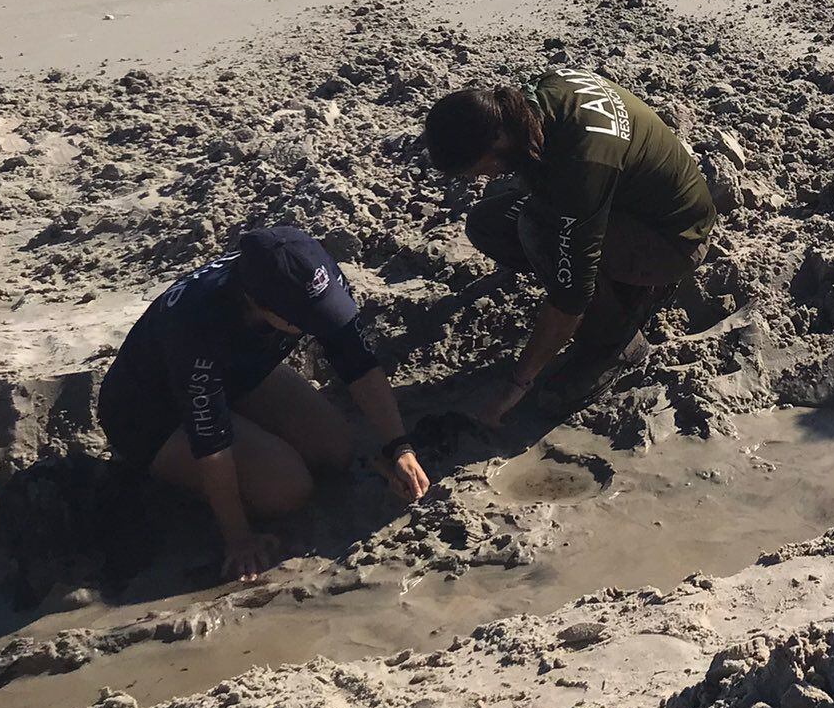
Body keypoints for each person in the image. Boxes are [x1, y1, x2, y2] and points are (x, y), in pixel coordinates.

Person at [96, 227, 429, 581]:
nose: (316, 325)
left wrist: (399, 447)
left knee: (336, 449)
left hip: (236, 375)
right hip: (152, 415)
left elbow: (357, 359)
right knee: (287, 489)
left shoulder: (309, 273)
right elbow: (210, 438)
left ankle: (252, 436)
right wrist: (238, 537)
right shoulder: (196, 324)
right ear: (258, 304)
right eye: (304, 320)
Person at [424, 71, 717, 424]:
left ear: (497, 138)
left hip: (674, 241)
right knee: (489, 223)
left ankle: (615, 342)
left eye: (475, 167)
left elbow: (570, 295)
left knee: (542, 232)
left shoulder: (584, 162)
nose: (477, 177)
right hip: (628, 206)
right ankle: (625, 289)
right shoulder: (536, 101)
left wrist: (517, 383)